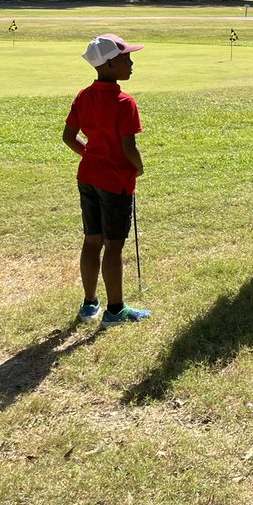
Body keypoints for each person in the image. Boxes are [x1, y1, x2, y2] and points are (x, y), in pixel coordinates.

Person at [63, 34, 152, 327]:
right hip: (115, 181)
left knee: (92, 240)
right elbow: (129, 148)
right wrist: (138, 168)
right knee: (113, 246)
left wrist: (90, 153)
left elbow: (68, 137)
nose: (131, 62)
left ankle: (90, 304)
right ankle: (115, 310)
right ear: (110, 64)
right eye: (126, 58)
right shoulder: (125, 101)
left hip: (88, 175)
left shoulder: (83, 95)